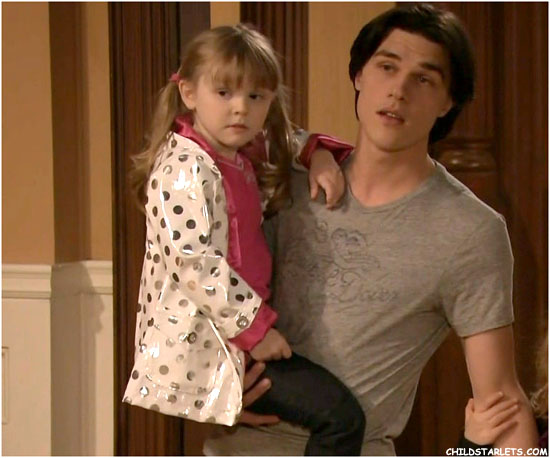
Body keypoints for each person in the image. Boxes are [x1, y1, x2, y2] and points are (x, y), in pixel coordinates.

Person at [204, 4, 540, 455]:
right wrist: (209, 393)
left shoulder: (470, 231)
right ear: (359, 74)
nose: (398, 90)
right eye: (387, 67)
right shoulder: (282, 181)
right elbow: (192, 279)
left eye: (424, 79)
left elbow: (502, 405)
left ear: (448, 101)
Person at [122, 24, 367, 455]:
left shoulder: (237, 150)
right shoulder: (183, 168)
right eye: (224, 93)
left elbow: (282, 139)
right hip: (216, 337)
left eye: (256, 96)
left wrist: (317, 153)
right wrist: (255, 330)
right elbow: (194, 263)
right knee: (341, 417)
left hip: (237, 334)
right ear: (189, 93)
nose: (240, 108)